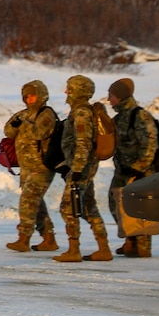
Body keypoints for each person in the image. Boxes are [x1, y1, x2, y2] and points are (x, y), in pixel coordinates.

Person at [54, 74, 113, 263]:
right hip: (86, 165)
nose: (65, 92)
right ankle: (104, 249)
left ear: (76, 91)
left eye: (69, 88)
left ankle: (74, 250)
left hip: (83, 166)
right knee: (88, 207)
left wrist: (77, 168)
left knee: (68, 207)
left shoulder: (81, 113)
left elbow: (83, 142)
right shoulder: (82, 111)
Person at [2, 79, 59, 252]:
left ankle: (24, 238)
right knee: (36, 202)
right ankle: (48, 238)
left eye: (33, 96)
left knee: (28, 200)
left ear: (41, 95)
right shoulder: (23, 113)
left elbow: (40, 133)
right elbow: (8, 131)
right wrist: (15, 125)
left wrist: (24, 124)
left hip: (42, 167)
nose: (29, 99)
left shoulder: (46, 114)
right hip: (26, 167)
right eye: (26, 96)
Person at [107, 78, 159, 258]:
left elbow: (150, 142)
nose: (109, 99)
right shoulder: (119, 118)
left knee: (140, 209)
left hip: (140, 172)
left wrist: (140, 167)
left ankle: (142, 246)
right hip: (122, 170)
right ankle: (130, 239)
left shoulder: (139, 115)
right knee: (115, 203)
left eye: (111, 96)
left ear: (120, 97)